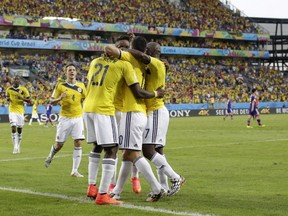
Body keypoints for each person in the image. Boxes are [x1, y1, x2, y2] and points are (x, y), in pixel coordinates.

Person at [84, 41, 165, 205]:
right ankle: (111, 192)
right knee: (123, 153)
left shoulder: (96, 62)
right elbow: (137, 90)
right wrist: (156, 93)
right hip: (120, 111)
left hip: (101, 109)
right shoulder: (130, 65)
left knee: (121, 152)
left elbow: (135, 91)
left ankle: (102, 188)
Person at [105, 36, 167, 202]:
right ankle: (116, 191)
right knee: (126, 154)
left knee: (133, 154)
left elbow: (109, 49)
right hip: (140, 113)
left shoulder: (130, 58)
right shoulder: (146, 64)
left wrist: (123, 50)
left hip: (131, 112)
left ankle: (157, 188)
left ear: (132, 48)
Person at [122, 41, 185, 196]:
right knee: (157, 151)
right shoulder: (158, 65)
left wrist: (126, 49)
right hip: (154, 111)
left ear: (153, 50)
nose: (144, 51)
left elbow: (141, 55)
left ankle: (175, 177)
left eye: (147, 49)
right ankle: (163, 187)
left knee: (148, 150)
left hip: (156, 111)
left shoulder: (156, 63)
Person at [108, 35, 142, 195]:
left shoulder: (133, 65)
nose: (122, 49)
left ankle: (135, 177)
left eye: (126, 46)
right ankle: (111, 183)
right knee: (112, 148)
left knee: (133, 147)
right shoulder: (109, 65)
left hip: (129, 111)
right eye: (119, 47)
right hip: (113, 111)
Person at [44, 63, 87, 178]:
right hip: (65, 118)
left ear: (76, 72)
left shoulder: (82, 86)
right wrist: (59, 98)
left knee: (78, 141)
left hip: (78, 117)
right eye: (69, 70)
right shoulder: (60, 85)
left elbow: (85, 100)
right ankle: (51, 155)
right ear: (66, 72)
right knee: (59, 145)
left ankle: (74, 170)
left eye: (73, 70)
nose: (72, 72)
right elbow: (51, 101)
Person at [6, 75, 32, 154]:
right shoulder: (9, 89)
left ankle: (18, 145)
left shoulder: (23, 89)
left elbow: (29, 100)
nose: (16, 80)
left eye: (17, 79)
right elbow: (7, 97)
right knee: (13, 127)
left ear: (19, 81)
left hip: (20, 111)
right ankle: (15, 147)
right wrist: (8, 99)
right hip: (12, 110)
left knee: (19, 130)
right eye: (14, 79)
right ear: (12, 81)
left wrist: (22, 98)